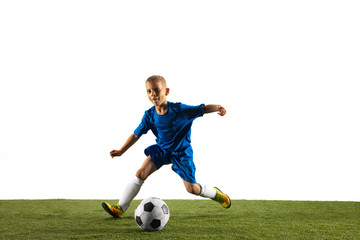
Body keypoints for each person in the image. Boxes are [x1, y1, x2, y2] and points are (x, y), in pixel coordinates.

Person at [102, 75, 231, 218]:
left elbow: (202, 109)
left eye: (156, 90)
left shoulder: (179, 110)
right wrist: (121, 151)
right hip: (162, 150)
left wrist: (218, 108)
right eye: (149, 91)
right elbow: (136, 135)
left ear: (166, 91)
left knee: (192, 189)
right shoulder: (149, 115)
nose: (153, 94)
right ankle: (120, 208)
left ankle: (216, 194)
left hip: (181, 152)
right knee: (140, 173)